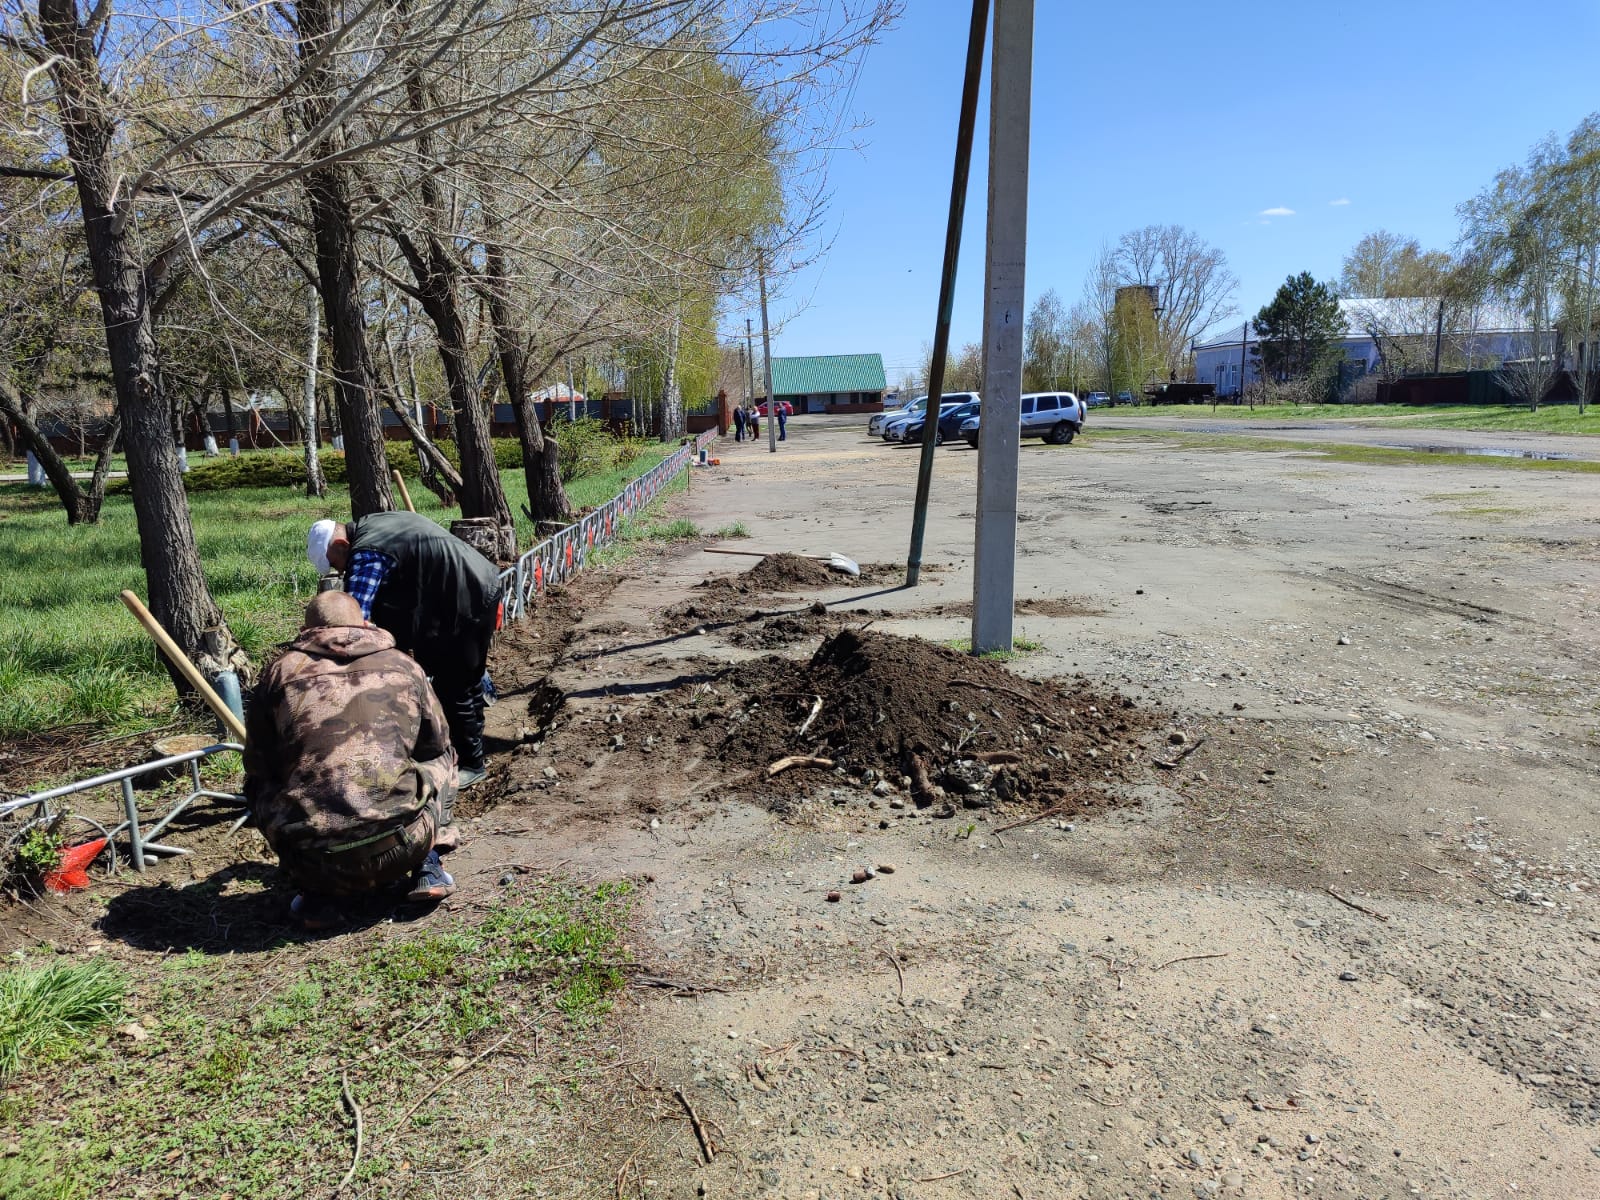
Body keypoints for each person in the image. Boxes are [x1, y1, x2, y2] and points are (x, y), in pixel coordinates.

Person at [243, 592, 457, 930]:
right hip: (404, 845)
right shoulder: (404, 665)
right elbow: (436, 743)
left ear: (305, 630)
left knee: (256, 784)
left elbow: (258, 763)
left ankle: (317, 897)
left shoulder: (279, 673)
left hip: (314, 862)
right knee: (443, 756)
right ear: (364, 623)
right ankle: (428, 864)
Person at [307, 511, 500, 788]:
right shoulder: (373, 524)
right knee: (464, 683)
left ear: (340, 545)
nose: (341, 571)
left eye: (337, 565)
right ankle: (468, 751)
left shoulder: (366, 552)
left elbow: (354, 620)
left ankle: (472, 763)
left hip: (462, 599)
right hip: (474, 585)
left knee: (453, 686)